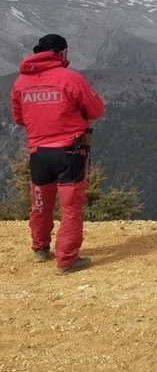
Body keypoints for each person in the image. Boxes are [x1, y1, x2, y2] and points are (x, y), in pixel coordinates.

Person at [10, 34, 105, 275]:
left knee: (40, 203)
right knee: (71, 207)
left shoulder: (20, 82)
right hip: (70, 151)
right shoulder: (71, 78)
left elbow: (19, 118)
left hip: (38, 153)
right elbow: (95, 110)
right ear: (62, 53)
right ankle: (66, 260)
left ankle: (40, 248)